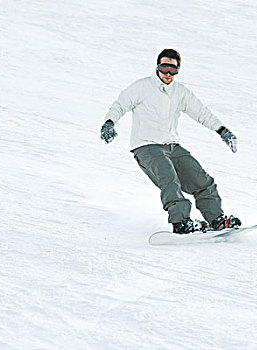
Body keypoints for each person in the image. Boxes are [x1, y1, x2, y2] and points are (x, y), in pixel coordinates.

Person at [100, 49, 241, 234]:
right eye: (164, 68)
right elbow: (120, 104)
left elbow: (200, 112)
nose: (168, 74)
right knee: (170, 180)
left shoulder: (180, 92)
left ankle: (216, 219)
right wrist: (109, 123)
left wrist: (222, 130)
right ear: (157, 67)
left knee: (203, 181)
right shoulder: (141, 87)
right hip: (147, 146)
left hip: (172, 146)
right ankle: (181, 222)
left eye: (173, 70)